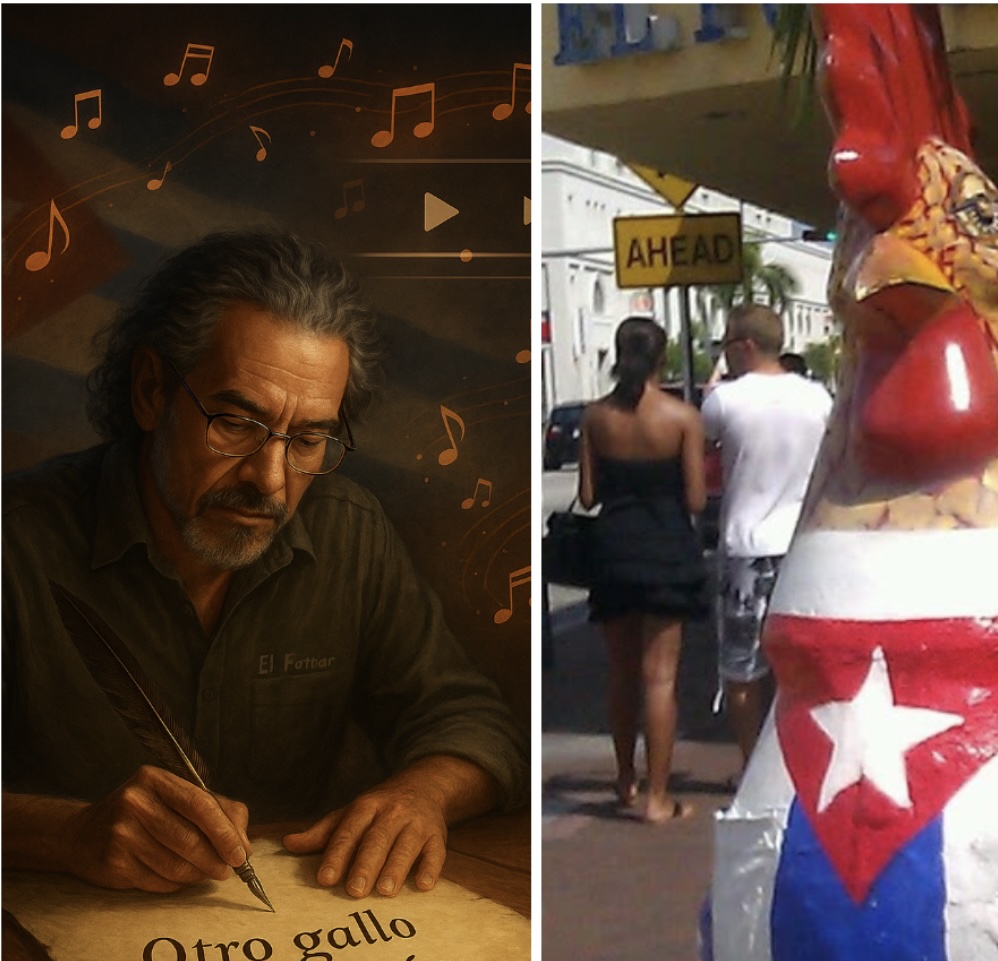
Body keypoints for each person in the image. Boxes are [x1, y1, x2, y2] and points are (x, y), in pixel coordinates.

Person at [2, 227, 523, 900]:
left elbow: (474, 719)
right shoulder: (16, 540)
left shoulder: (349, 533)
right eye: (237, 424)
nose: (270, 481)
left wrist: (423, 793)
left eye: (308, 439)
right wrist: (65, 834)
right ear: (151, 391)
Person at [577, 317, 709, 822]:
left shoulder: (596, 417)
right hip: (666, 550)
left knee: (620, 673)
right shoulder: (682, 418)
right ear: (661, 358)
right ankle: (658, 798)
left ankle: (624, 779)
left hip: (613, 549)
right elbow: (695, 498)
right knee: (660, 678)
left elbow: (588, 495)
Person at [700, 304, 833, 768]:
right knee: (803, 666)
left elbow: (700, 449)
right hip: (804, 548)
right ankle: (796, 766)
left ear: (745, 346)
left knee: (742, 669)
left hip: (746, 547)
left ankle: (750, 766)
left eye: (727, 345)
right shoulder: (818, 398)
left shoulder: (724, 401)